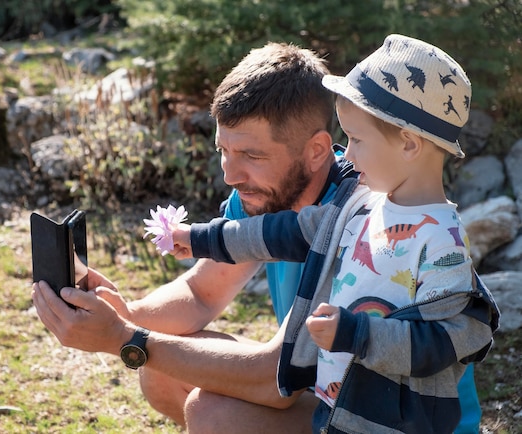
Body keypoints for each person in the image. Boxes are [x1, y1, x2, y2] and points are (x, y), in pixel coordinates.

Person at [32, 40, 486, 433]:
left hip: (397, 416)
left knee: (212, 411)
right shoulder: (260, 195)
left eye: (250, 154)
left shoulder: (366, 213)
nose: (230, 175)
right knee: (163, 371)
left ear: (317, 151)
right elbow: (199, 292)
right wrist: (121, 315)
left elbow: (273, 378)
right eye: (223, 151)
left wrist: (125, 339)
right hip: (330, 387)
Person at [168, 34, 499, 433]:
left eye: (357, 140)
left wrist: (356, 333)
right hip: (340, 414)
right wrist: (202, 238)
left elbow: (451, 338)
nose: (349, 154)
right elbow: (287, 232)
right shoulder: (360, 203)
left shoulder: (440, 242)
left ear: (409, 145)